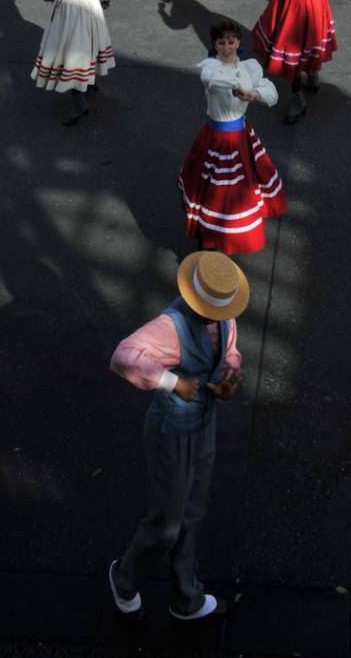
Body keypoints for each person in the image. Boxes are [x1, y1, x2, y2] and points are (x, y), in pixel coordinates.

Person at [108, 251, 248, 626]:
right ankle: (124, 579)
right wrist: (174, 382)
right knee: (166, 522)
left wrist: (230, 378)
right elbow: (123, 356)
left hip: (204, 426)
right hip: (171, 433)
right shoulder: (171, 326)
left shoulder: (224, 317)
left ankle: (186, 597)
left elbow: (231, 353)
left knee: (193, 514)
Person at [177, 19, 286, 254]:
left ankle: (222, 242)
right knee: (214, 192)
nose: (227, 47)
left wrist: (254, 93)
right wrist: (241, 88)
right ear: (214, 45)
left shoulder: (250, 67)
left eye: (231, 42)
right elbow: (213, 81)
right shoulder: (210, 67)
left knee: (232, 191)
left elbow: (272, 93)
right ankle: (208, 242)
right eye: (221, 42)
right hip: (216, 137)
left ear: (238, 42)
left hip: (239, 136)